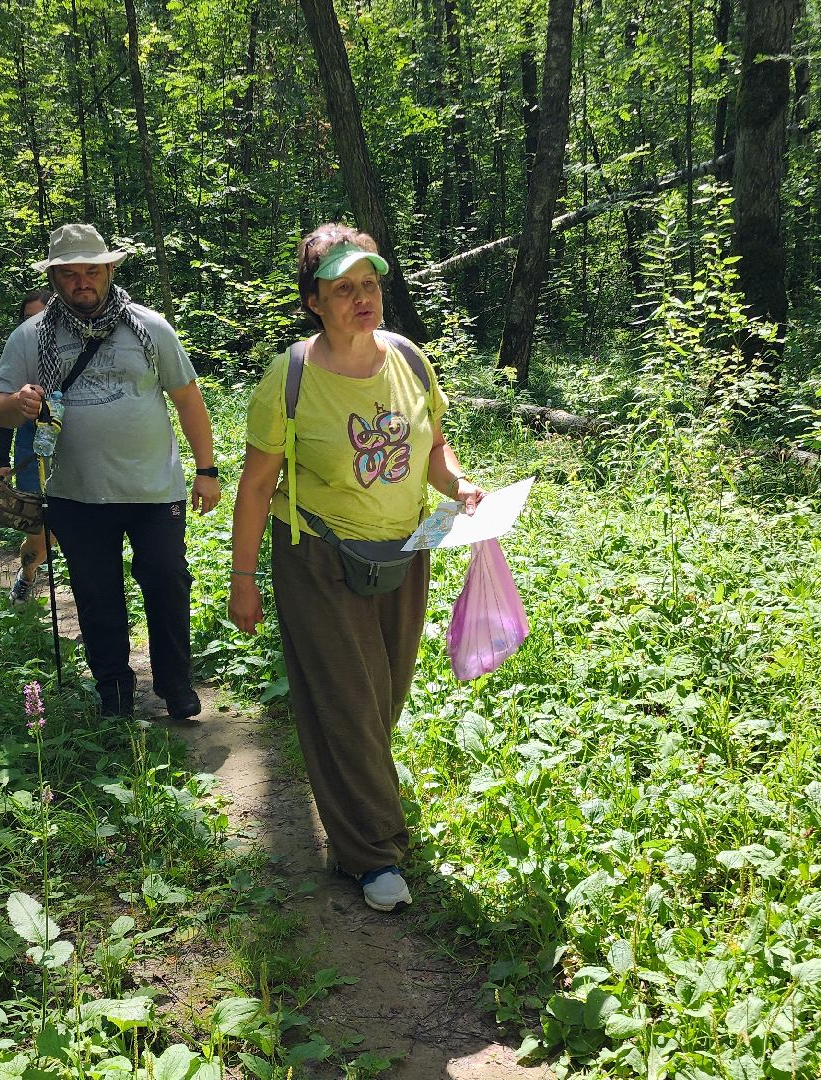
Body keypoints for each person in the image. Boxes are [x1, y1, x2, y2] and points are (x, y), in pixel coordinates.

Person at [227, 223, 483, 913]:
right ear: (314, 299)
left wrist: (457, 485)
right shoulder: (292, 376)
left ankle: (362, 803)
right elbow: (255, 487)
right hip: (318, 556)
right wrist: (242, 579)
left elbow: (436, 448)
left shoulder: (407, 358)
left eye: (369, 285)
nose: (362, 298)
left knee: (383, 697)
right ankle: (372, 854)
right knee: (347, 702)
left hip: (405, 548)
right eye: (344, 288)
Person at [0, 224, 219, 721]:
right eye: (68, 274)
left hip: (155, 489)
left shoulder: (150, 327)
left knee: (167, 581)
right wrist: (19, 404)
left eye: (91, 270)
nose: (81, 282)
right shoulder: (31, 336)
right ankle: (113, 688)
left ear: (110, 270)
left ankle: (176, 683)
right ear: (54, 279)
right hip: (75, 493)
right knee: (96, 595)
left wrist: (207, 469)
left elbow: (188, 399)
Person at [0, 288, 53, 603]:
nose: (34, 324)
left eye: (41, 317)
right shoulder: (18, 355)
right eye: (28, 318)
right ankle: (28, 574)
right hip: (32, 452)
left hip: (76, 452)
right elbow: (3, 413)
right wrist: (1, 461)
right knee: (41, 533)